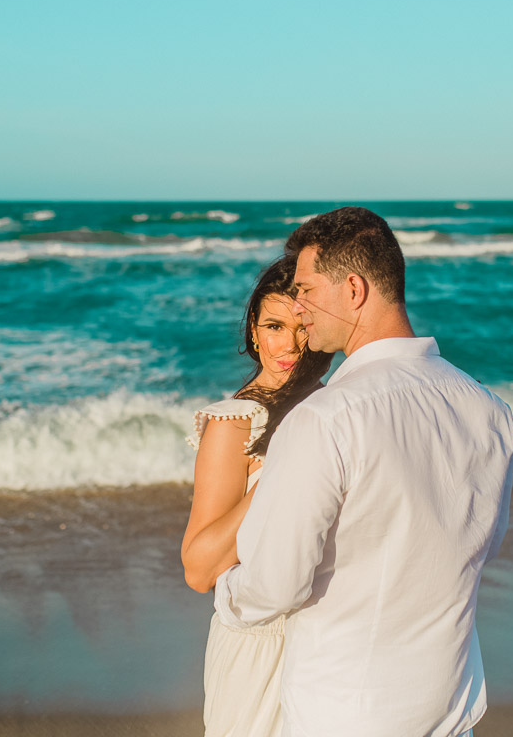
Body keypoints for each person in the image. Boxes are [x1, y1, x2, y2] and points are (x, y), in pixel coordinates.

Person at [213, 207, 513, 737]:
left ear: (353, 289)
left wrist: (227, 596)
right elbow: (481, 546)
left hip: (345, 714)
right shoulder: (489, 410)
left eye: (306, 290)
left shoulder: (325, 419)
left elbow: (274, 586)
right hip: (449, 709)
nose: (299, 307)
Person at [182, 256, 334, 737]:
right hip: (260, 646)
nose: (288, 345)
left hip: (331, 637)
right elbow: (199, 569)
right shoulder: (235, 424)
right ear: (253, 330)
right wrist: (281, 473)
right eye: (274, 326)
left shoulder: (342, 408)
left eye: (302, 326)